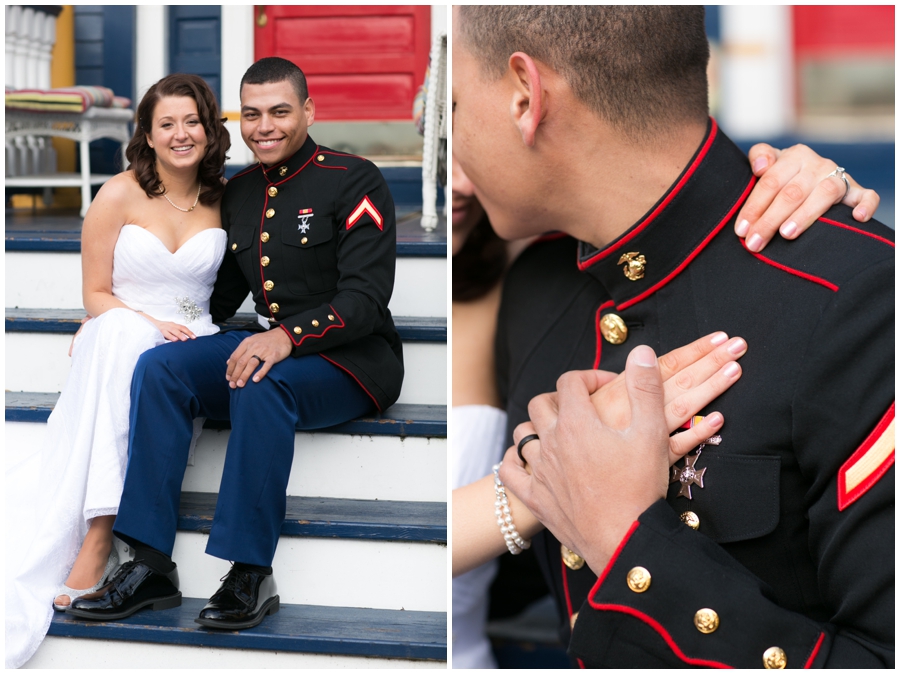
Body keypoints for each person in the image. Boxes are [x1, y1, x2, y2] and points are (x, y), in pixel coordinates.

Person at [453, 5, 893, 668]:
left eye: (454, 103)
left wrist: (630, 540)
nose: (448, 141)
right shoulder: (537, 287)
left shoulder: (860, 296)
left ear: (525, 96)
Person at [65, 57, 403, 631]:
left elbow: (366, 300)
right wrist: (112, 317)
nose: (264, 126)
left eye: (279, 112)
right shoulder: (240, 191)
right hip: (272, 350)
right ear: (238, 120)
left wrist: (286, 336)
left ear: (308, 112)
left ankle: (250, 571)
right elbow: (212, 299)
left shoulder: (353, 178)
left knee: (259, 384)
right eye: (251, 114)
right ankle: (149, 564)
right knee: (163, 368)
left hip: (350, 362)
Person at [6, 73, 230, 669]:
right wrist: (132, 321)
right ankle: (100, 530)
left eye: (193, 122)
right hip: (125, 330)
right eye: (167, 124)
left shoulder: (224, 197)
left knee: (157, 357)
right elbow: (96, 294)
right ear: (148, 135)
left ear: (209, 130)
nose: (182, 134)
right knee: (125, 333)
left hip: (190, 344)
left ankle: (107, 533)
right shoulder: (118, 194)